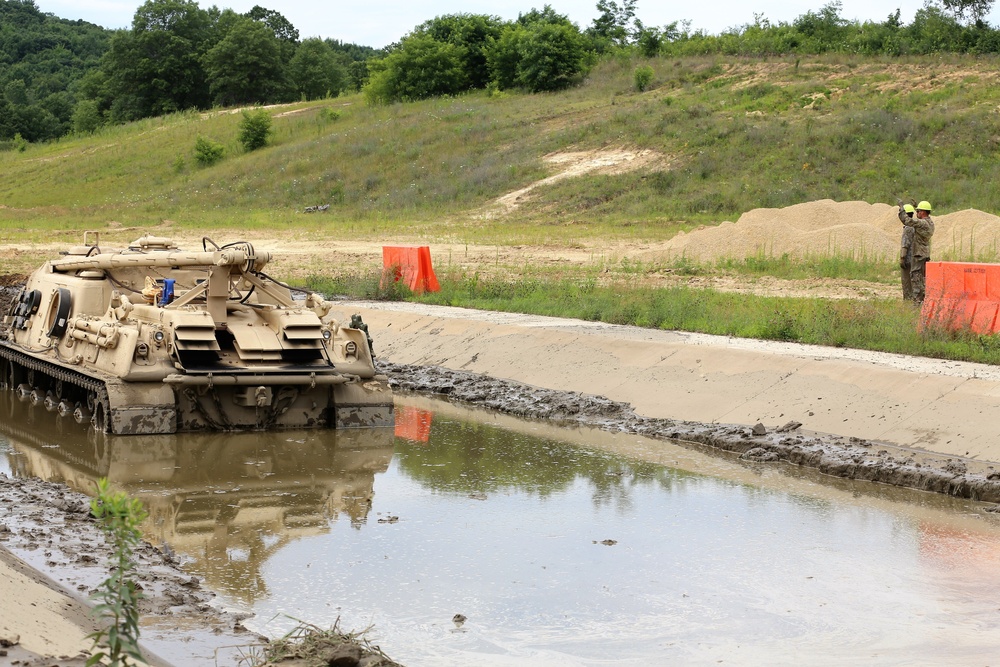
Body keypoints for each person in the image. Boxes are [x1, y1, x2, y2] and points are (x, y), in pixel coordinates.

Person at [897, 200, 934, 303]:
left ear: (922, 212)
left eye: (918, 211)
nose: (916, 213)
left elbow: (907, 221)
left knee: (916, 277)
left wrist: (901, 208)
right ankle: (922, 300)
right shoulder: (930, 223)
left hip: (918, 254)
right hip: (924, 253)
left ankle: (918, 302)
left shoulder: (922, 223)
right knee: (922, 278)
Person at [899, 204, 915, 301]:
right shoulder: (916, 226)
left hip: (908, 260)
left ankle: (908, 301)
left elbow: (905, 245)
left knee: (906, 282)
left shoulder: (908, 228)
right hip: (915, 259)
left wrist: (902, 258)